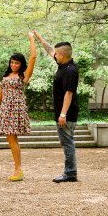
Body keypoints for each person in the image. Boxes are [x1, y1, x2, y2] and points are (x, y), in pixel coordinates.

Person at [0, 31, 36, 181]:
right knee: (11, 138)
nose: (14, 65)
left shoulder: (23, 76)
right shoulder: (6, 77)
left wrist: (31, 39)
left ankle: (18, 169)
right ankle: (18, 168)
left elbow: (33, 57)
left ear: (21, 64)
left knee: (11, 138)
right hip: (5, 109)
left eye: (17, 62)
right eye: (12, 62)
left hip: (16, 109)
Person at [33, 30, 79, 183]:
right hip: (63, 113)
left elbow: (69, 93)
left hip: (67, 113)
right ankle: (70, 172)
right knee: (66, 142)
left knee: (67, 142)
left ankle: (70, 173)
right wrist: (39, 37)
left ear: (63, 55)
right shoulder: (63, 64)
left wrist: (63, 114)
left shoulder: (70, 71)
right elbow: (50, 50)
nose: (55, 56)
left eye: (57, 55)